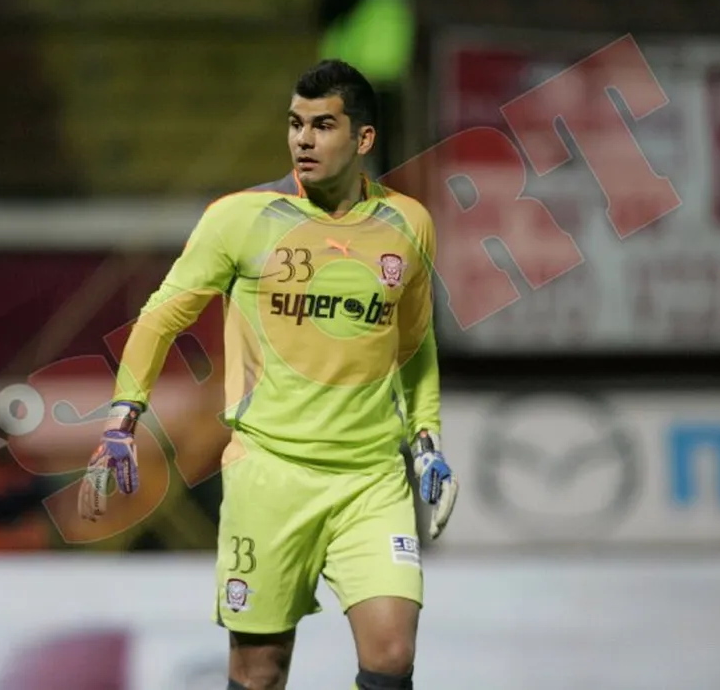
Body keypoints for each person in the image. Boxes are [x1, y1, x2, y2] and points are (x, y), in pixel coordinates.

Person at [77, 59, 458, 690]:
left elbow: (414, 345)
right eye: (295, 123)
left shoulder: (408, 224)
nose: (303, 139)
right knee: (260, 670)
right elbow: (161, 316)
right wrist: (123, 417)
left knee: (392, 654)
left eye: (323, 125)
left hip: (371, 480)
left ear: (363, 138)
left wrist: (426, 439)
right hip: (270, 475)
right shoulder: (241, 217)